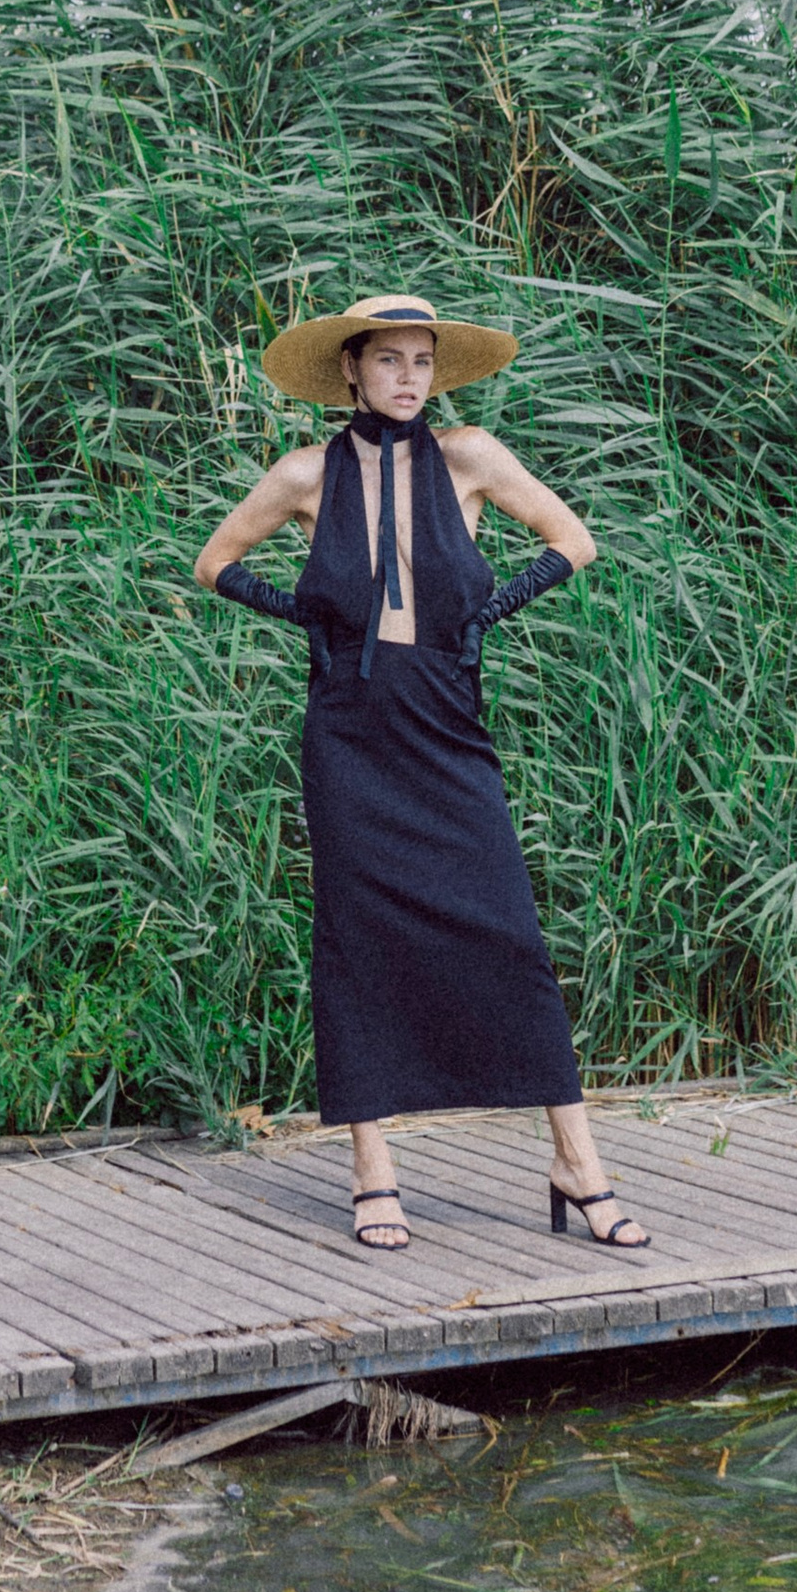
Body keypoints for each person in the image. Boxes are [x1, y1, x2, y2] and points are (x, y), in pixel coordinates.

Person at [193, 292, 648, 1258]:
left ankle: (577, 1162)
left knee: (511, 935)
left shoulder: (471, 457)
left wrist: (488, 615)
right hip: (350, 734)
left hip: (447, 725)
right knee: (359, 944)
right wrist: (308, 618)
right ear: (350, 369)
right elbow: (214, 561)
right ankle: (373, 1171)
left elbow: (575, 540)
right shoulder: (305, 473)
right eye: (390, 361)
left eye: (422, 361)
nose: (409, 378)